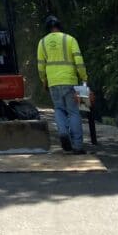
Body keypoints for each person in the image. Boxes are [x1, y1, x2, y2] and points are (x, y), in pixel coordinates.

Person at [37, 15, 90, 154]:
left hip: (53, 82)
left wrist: (44, 80)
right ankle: (77, 146)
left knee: (59, 109)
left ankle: (63, 133)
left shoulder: (42, 43)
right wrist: (84, 77)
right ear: (59, 26)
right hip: (70, 81)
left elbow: (41, 66)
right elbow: (79, 61)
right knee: (73, 112)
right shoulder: (70, 39)